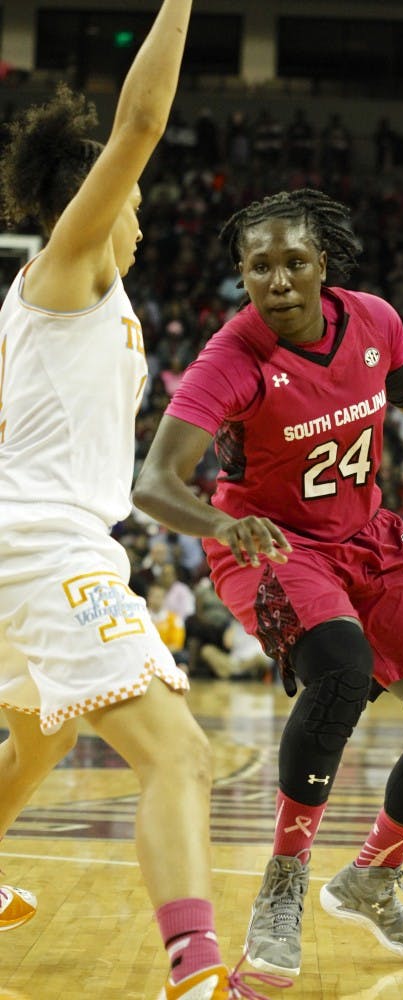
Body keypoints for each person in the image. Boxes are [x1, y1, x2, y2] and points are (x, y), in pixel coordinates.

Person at [133, 188, 403, 978]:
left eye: (293, 263)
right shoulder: (232, 356)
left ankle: (373, 879)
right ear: (241, 276)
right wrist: (219, 526)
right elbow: (154, 483)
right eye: (258, 268)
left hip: (369, 539)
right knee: (340, 671)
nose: (276, 281)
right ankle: (282, 884)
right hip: (272, 545)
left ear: (325, 265)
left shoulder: (374, 319)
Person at [0, 5, 286, 999]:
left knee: (42, 731)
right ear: (88, 198)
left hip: (24, 542)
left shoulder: (73, 296)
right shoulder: (68, 266)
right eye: (124, 199)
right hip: (45, 548)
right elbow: (139, 127)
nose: (140, 212)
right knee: (181, 755)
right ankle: (196, 972)